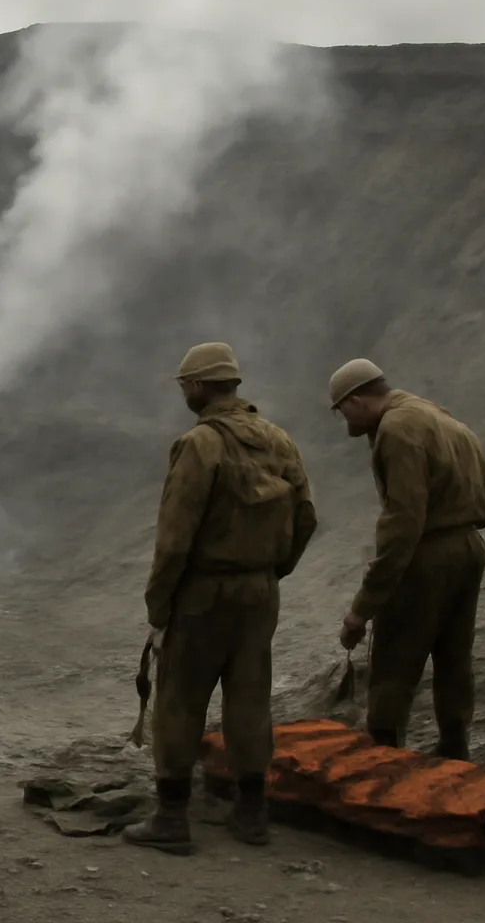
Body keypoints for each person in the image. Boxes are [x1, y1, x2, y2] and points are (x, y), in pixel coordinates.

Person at [122, 342, 317, 854]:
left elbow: (175, 537)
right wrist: (272, 572)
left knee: (180, 701)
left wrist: (159, 606)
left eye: (185, 384)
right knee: (251, 701)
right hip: (260, 591)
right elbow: (306, 517)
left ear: (197, 386)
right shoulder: (279, 440)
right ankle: (251, 816)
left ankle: (171, 818)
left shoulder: (200, 444)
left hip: (204, 593)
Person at [329, 359, 485, 760]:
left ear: (356, 400)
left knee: (394, 660)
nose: (344, 421)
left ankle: (383, 757)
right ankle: (455, 749)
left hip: (427, 556)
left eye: (341, 410)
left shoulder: (397, 429)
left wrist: (361, 610)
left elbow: (403, 522)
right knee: (454, 655)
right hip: (469, 549)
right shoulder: (442, 418)